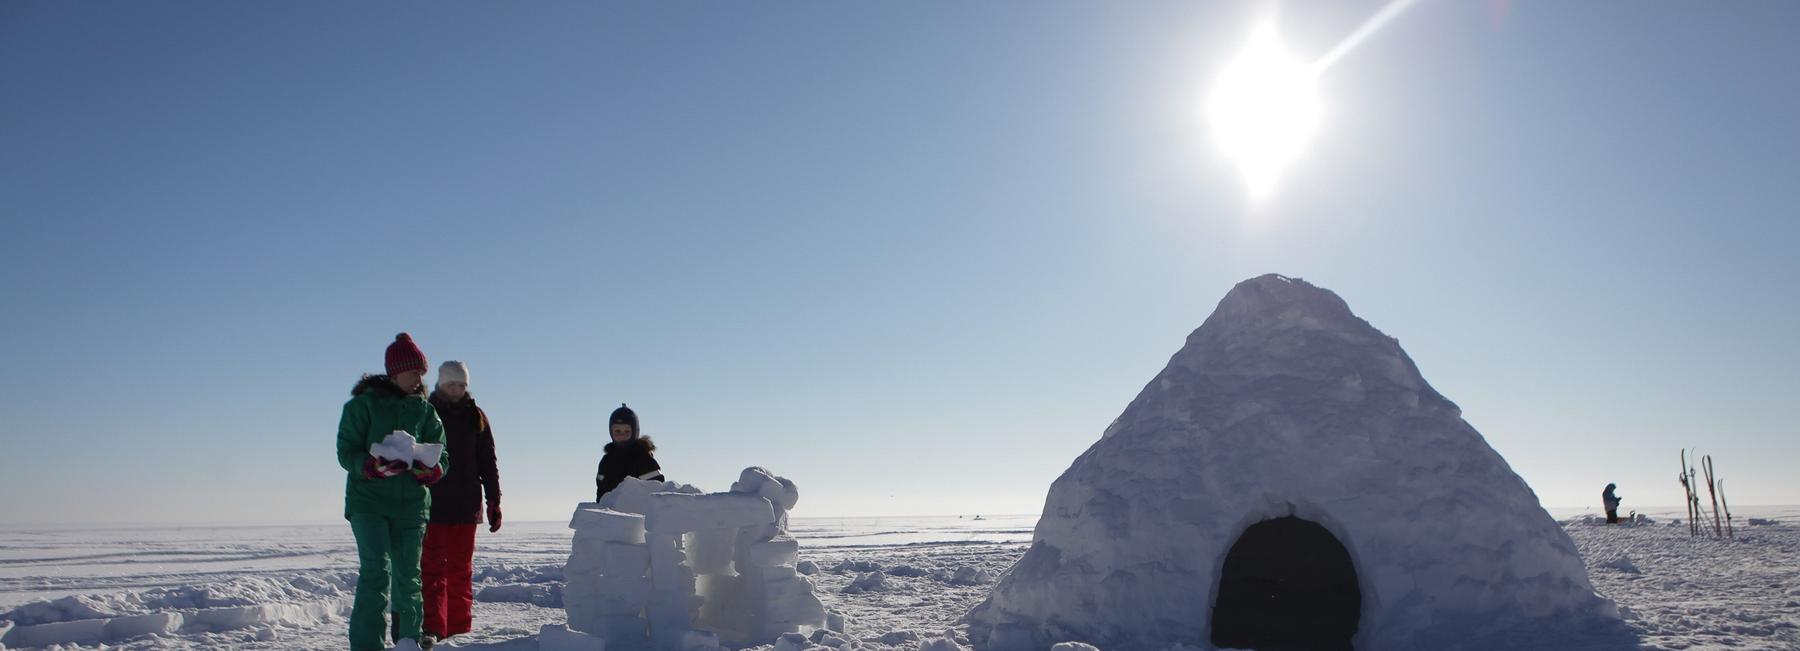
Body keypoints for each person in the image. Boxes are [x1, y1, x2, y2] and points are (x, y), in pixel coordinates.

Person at [336, 333, 447, 651]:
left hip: (412, 506)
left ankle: (408, 642)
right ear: (395, 372)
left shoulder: (425, 411)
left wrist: (431, 469)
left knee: (408, 577)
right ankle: (366, 645)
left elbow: (443, 456)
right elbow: (346, 451)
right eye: (414, 373)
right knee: (375, 572)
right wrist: (370, 466)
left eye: (421, 374)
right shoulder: (361, 406)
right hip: (368, 503)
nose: (419, 379)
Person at [421, 360, 501, 647]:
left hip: (467, 506)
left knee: (460, 571)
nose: (457, 390)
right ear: (441, 384)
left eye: (462, 385)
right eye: (452, 384)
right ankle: (433, 628)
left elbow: (487, 461)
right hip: (433, 505)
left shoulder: (475, 416)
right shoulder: (427, 413)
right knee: (432, 570)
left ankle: (459, 632)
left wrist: (494, 500)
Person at [596, 403, 663, 501]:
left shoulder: (643, 458)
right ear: (611, 431)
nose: (622, 435)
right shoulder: (607, 460)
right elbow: (601, 490)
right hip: (610, 512)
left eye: (627, 431)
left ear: (635, 432)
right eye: (617, 431)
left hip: (637, 513)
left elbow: (656, 488)